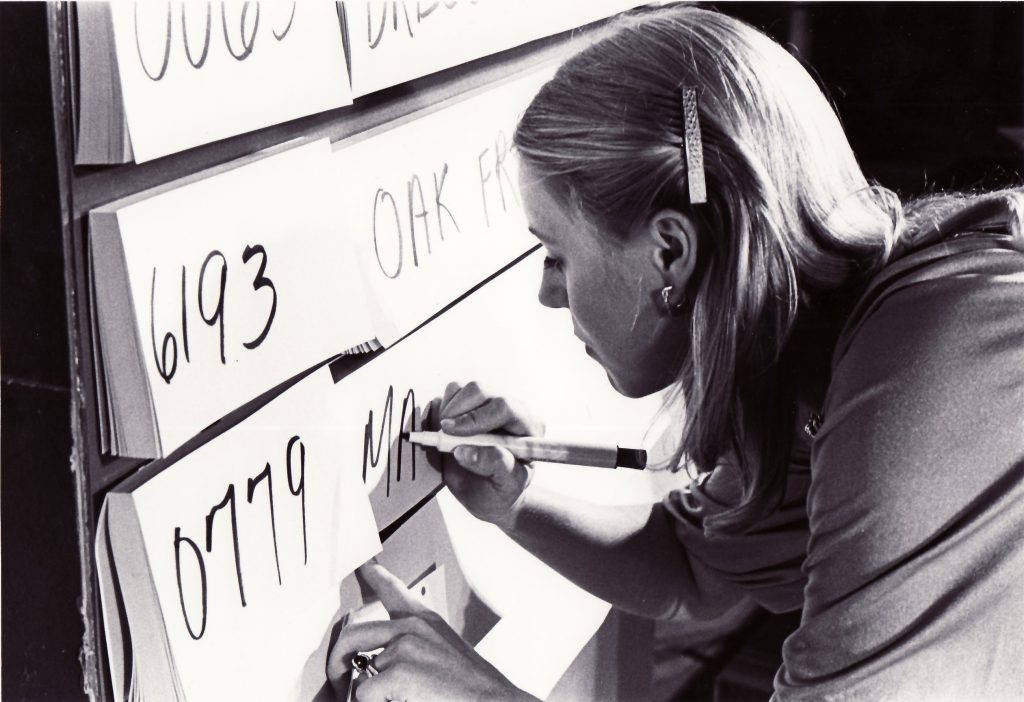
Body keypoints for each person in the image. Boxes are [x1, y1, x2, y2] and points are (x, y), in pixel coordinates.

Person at [328, 4, 1024, 700]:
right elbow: (695, 573)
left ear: (671, 252)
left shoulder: (922, 370)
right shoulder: (818, 364)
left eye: (556, 254)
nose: (548, 293)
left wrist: (478, 692)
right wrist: (514, 501)